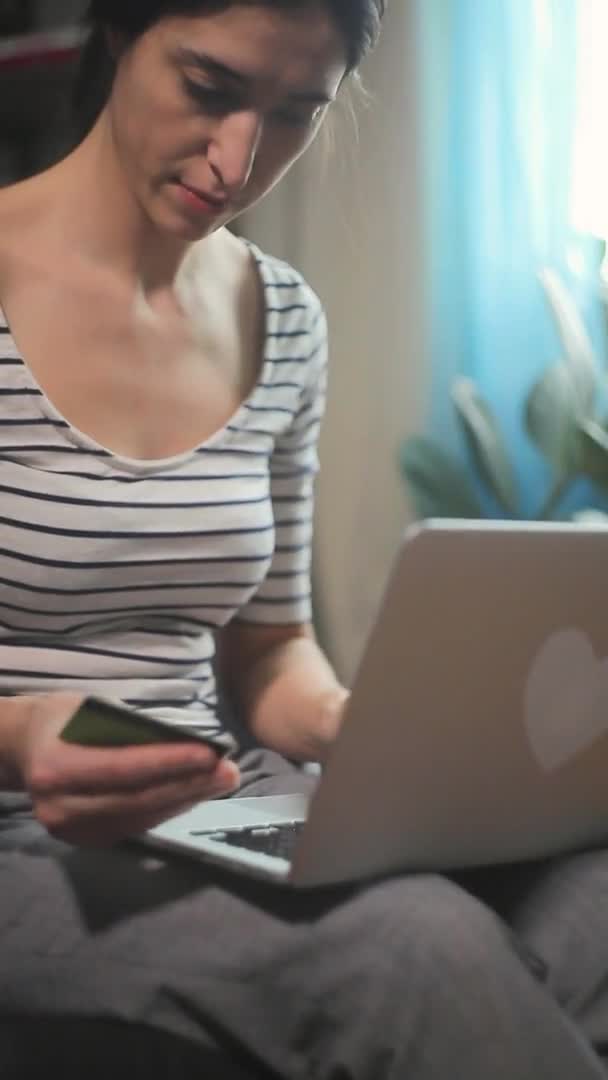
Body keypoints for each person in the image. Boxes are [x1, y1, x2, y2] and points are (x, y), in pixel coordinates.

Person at [0, 2, 608, 1077]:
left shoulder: (281, 317)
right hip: (24, 837)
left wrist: (357, 728)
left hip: (217, 802)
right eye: (208, 89)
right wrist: (25, 731)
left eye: (293, 115)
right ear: (117, 30)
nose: (239, 159)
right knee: (413, 947)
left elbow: (270, 651)